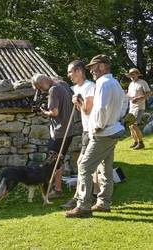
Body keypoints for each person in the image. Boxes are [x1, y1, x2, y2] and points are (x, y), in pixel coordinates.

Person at [66, 55, 125, 218]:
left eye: (94, 66)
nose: (91, 70)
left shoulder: (103, 83)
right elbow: (124, 105)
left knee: (84, 166)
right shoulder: (116, 83)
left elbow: (100, 108)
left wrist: (98, 126)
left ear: (103, 66)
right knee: (105, 167)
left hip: (103, 132)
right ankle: (103, 203)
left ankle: (84, 205)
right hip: (112, 129)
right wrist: (115, 119)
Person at [31, 73, 74, 199]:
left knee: (53, 162)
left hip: (59, 132)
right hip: (69, 130)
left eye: (39, 87)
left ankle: (57, 190)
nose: (41, 91)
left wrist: (44, 112)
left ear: (43, 82)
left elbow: (54, 112)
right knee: (58, 160)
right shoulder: (63, 84)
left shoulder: (53, 90)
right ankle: (57, 188)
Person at [60, 60, 95, 209]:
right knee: (87, 164)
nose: (68, 75)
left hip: (92, 130)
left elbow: (87, 110)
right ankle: (90, 196)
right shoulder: (74, 88)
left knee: (83, 163)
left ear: (79, 71)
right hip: (85, 130)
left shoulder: (90, 87)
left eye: (70, 72)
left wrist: (78, 102)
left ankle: (81, 198)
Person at [126, 68, 151, 150]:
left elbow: (149, 93)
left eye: (133, 74)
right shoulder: (131, 84)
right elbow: (129, 94)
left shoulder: (142, 82)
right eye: (130, 75)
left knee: (134, 125)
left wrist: (138, 98)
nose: (132, 76)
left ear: (137, 74)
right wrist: (127, 95)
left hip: (139, 107)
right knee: (130, 126)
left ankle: (141, 143)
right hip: (132, 107)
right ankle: (135, 142)